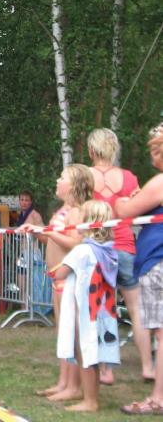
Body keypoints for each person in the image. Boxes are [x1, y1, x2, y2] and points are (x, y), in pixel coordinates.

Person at [88, 127, 155, 385]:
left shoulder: (86, 176)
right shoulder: (128, 177)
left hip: (98, 248)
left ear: (92, 150)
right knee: (137, 310)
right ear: (113, 149)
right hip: (126, 246)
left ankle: (106, 370)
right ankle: (147, 367)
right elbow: (137, 209)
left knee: (103, 308)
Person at [27, 163, 94, 402]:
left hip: (69, 279)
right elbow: (54, 240)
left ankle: (74, 386)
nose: (57, 180)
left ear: (74, 185)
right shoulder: (62, 210)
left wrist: (47, 231)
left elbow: (76, 242)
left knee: (72, 333)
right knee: (63, 333)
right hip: (57, 279)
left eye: (62, 177)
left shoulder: (76, 211)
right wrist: (38, 233)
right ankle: (64, 382)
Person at [53, 199, 120, 412]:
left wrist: (56, 268)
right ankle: (90, 396)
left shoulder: (82, 250)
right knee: (94, 354)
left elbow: (60, 273)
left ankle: (90, 400)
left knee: (85, 353)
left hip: (85, 311)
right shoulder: (109, 250)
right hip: (103, 311)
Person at [116, 123, 163, 416]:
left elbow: (124, 211)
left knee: (161, 332)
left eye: (155, 150)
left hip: (158, 262)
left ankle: (159, 398)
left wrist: (127, 199)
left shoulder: (159, 182)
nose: (152, 156)